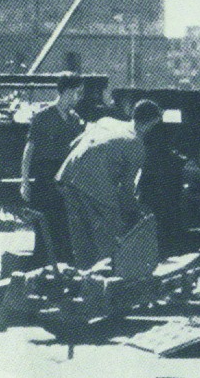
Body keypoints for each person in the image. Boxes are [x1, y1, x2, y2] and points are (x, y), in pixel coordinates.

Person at [56, 99, 163, 271]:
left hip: (67, 177)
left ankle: (83, 274)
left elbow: (73, 144)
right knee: (109, 233)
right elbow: (126, 189)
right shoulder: (136, 144)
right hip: (94, 185)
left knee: (80, 236)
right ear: (150, 123)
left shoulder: (106, 121)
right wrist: (136, 211)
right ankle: (105, 276)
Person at [19, 72, 85, 265]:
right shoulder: (43, 116)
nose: (80, 97)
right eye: (77, 92)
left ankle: (61, 276)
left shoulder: (75, 120)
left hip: (66, 181)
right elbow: (29, 150)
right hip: (45, 180)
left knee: (65, 231)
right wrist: (24, 182)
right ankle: (40, 275)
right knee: (44, 230)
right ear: (66, 91)